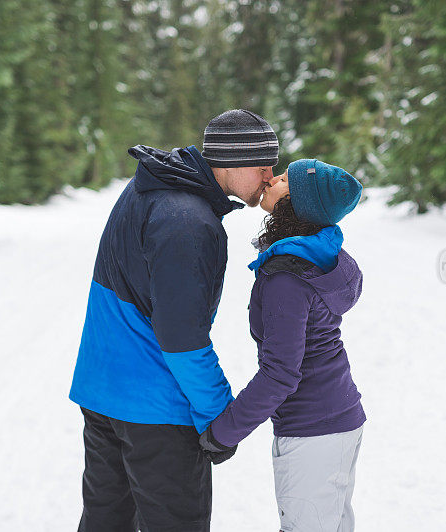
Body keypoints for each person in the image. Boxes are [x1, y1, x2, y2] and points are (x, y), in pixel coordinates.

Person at [69, 109, 279, 531]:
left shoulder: (152, 186)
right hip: (155, 412)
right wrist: (218, 416)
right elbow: (182, 339)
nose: (271, 176)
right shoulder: (188, 222)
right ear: (233, 162)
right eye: (263, 165)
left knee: (105, 522)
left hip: (102, 392)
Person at [199, 159, 366, 532]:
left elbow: (280, 374)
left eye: (286, 179)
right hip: (338, 419)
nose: (273, 178)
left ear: (299, 203)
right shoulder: (320, 256)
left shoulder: (288, 276)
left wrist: (222, 433)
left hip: (314, 431)